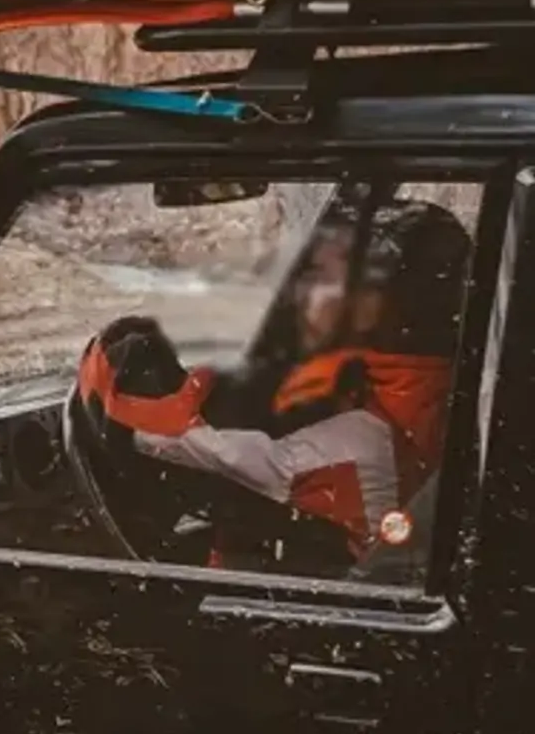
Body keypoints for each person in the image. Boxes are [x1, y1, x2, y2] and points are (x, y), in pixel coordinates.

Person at [75, 196, 471, 574]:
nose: (295, 292)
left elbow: (139, 417)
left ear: (374, 307)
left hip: (331, 619)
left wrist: (122, 351)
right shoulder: (444, 387)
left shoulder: (352, 442)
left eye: (318, 275)